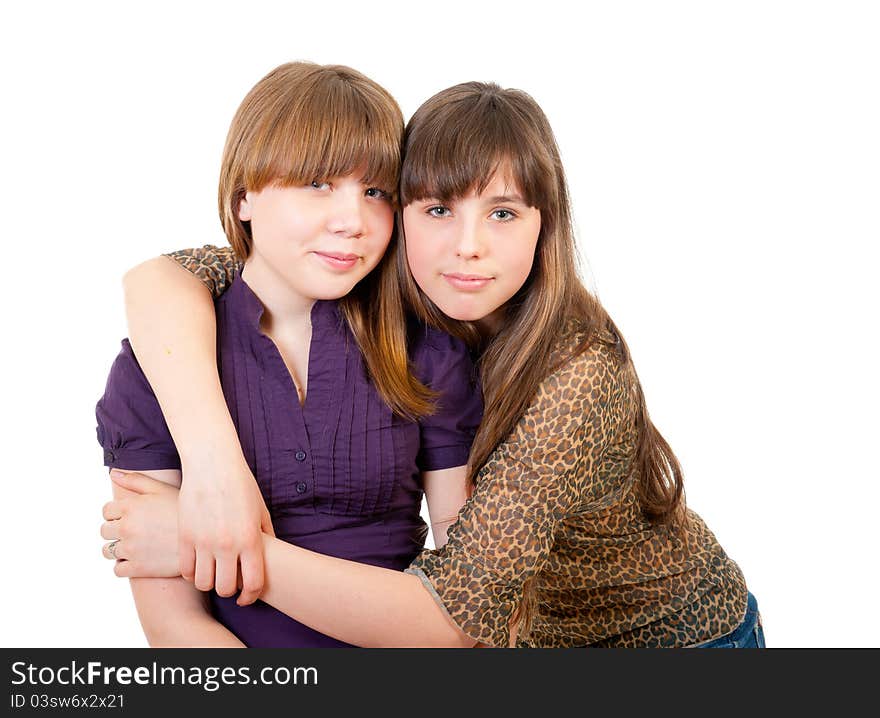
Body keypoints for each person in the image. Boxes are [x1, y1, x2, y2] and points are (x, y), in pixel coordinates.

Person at [101, 81, 764, 648]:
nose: (468, 247)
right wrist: (215, 474)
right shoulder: (349, 279)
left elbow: (456, 617)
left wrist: (210, 542)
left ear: (545, 224)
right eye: (438, 208)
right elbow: (170, 277)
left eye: (503, 213)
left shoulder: (575, 375)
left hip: (660, 638)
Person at [95, 62, 482, 647]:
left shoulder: (428, 350)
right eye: (318, 183)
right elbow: (177, 627)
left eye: (376, 191)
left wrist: (223, 543)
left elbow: (465, 606)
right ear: (245, 194)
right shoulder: (161, 362)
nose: (353, 221)